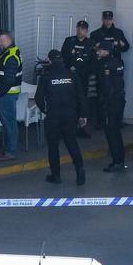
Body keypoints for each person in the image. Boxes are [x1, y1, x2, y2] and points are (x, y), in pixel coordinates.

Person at [35, 49, 88, 186]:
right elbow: (81, 96)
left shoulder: (46, 77)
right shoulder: (72, 75)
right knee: (72, 144)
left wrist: (45, 110)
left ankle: (56, 175)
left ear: (49, 60)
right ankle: (80, 170)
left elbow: (38, 98)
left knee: (53, 146)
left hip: (53, 116)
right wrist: (82, 115)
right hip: (70, 115)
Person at [95, 41, 128, 172]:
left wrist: (105, 104)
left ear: (106, 51)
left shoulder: (106, 65)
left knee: (111, 133)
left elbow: (107, 87)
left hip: (111, 103)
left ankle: (117, 161)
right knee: (116, 132)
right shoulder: (118, 62)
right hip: (119, 100)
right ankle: (120, 159)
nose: (98, 52)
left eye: (100, 50)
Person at [0, 31, 23, 161]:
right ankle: (9, 149)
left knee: (9, 122)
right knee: (9, 122)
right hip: (7, 94)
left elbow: (9, 79)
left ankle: (10, 151)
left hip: (7, 95)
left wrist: (0, 92)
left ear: (9, 40)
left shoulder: (11, 56)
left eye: (1, 41)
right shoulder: (9, 53)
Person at [61, 20, 96, 138]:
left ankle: (82, 127)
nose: (80, 31)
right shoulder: (69, 41)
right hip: (70, 76)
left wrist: (86, 71)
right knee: (69, 101)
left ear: (86, 31)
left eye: (83, 29)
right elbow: (63, 57)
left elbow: (93, 61)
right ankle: (69, 127)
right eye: (79, 28)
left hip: (83, 77)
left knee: (82, 102)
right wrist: (69, 67)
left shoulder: (90, 43)